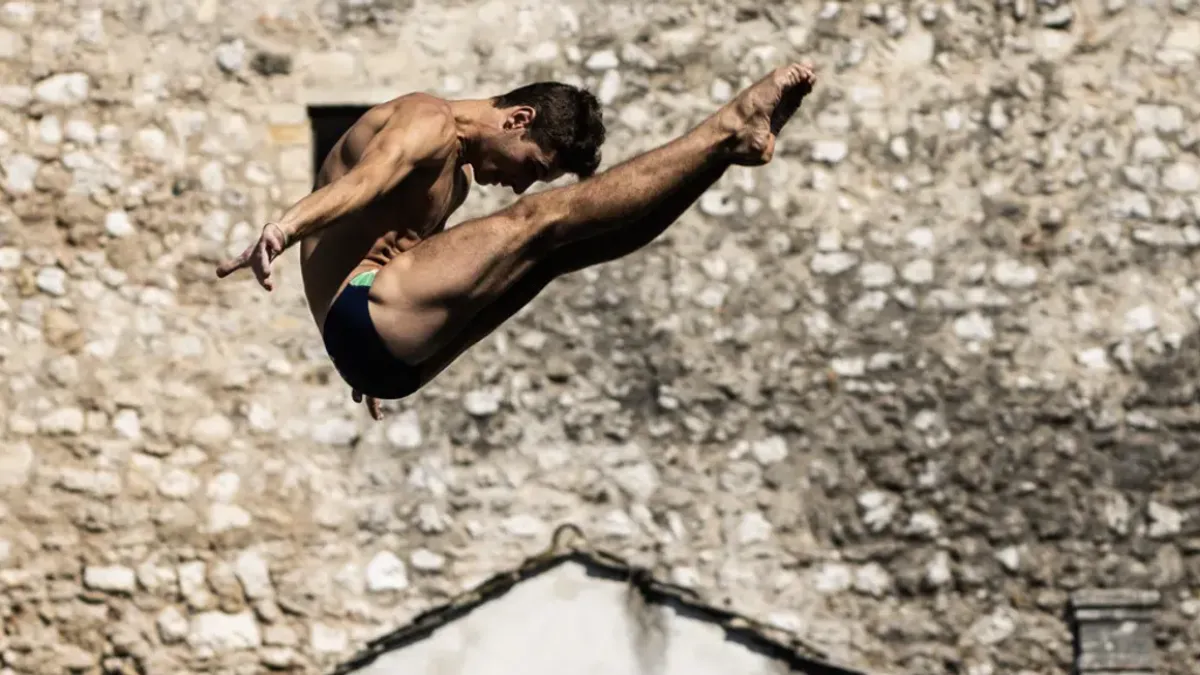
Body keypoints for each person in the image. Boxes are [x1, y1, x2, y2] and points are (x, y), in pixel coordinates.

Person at [216, 63, 817, 420]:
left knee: (564, 251)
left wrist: (373, 362)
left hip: (391, 358)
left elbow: (425, 268)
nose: (520, 182)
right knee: (536, 220)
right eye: (533, 165)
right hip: (363, 321)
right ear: (518, 119)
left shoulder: (456, 182)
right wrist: (284, 227)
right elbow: (366, 181)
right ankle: (726, 128)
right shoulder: (427, 121)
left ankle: (723, 156)